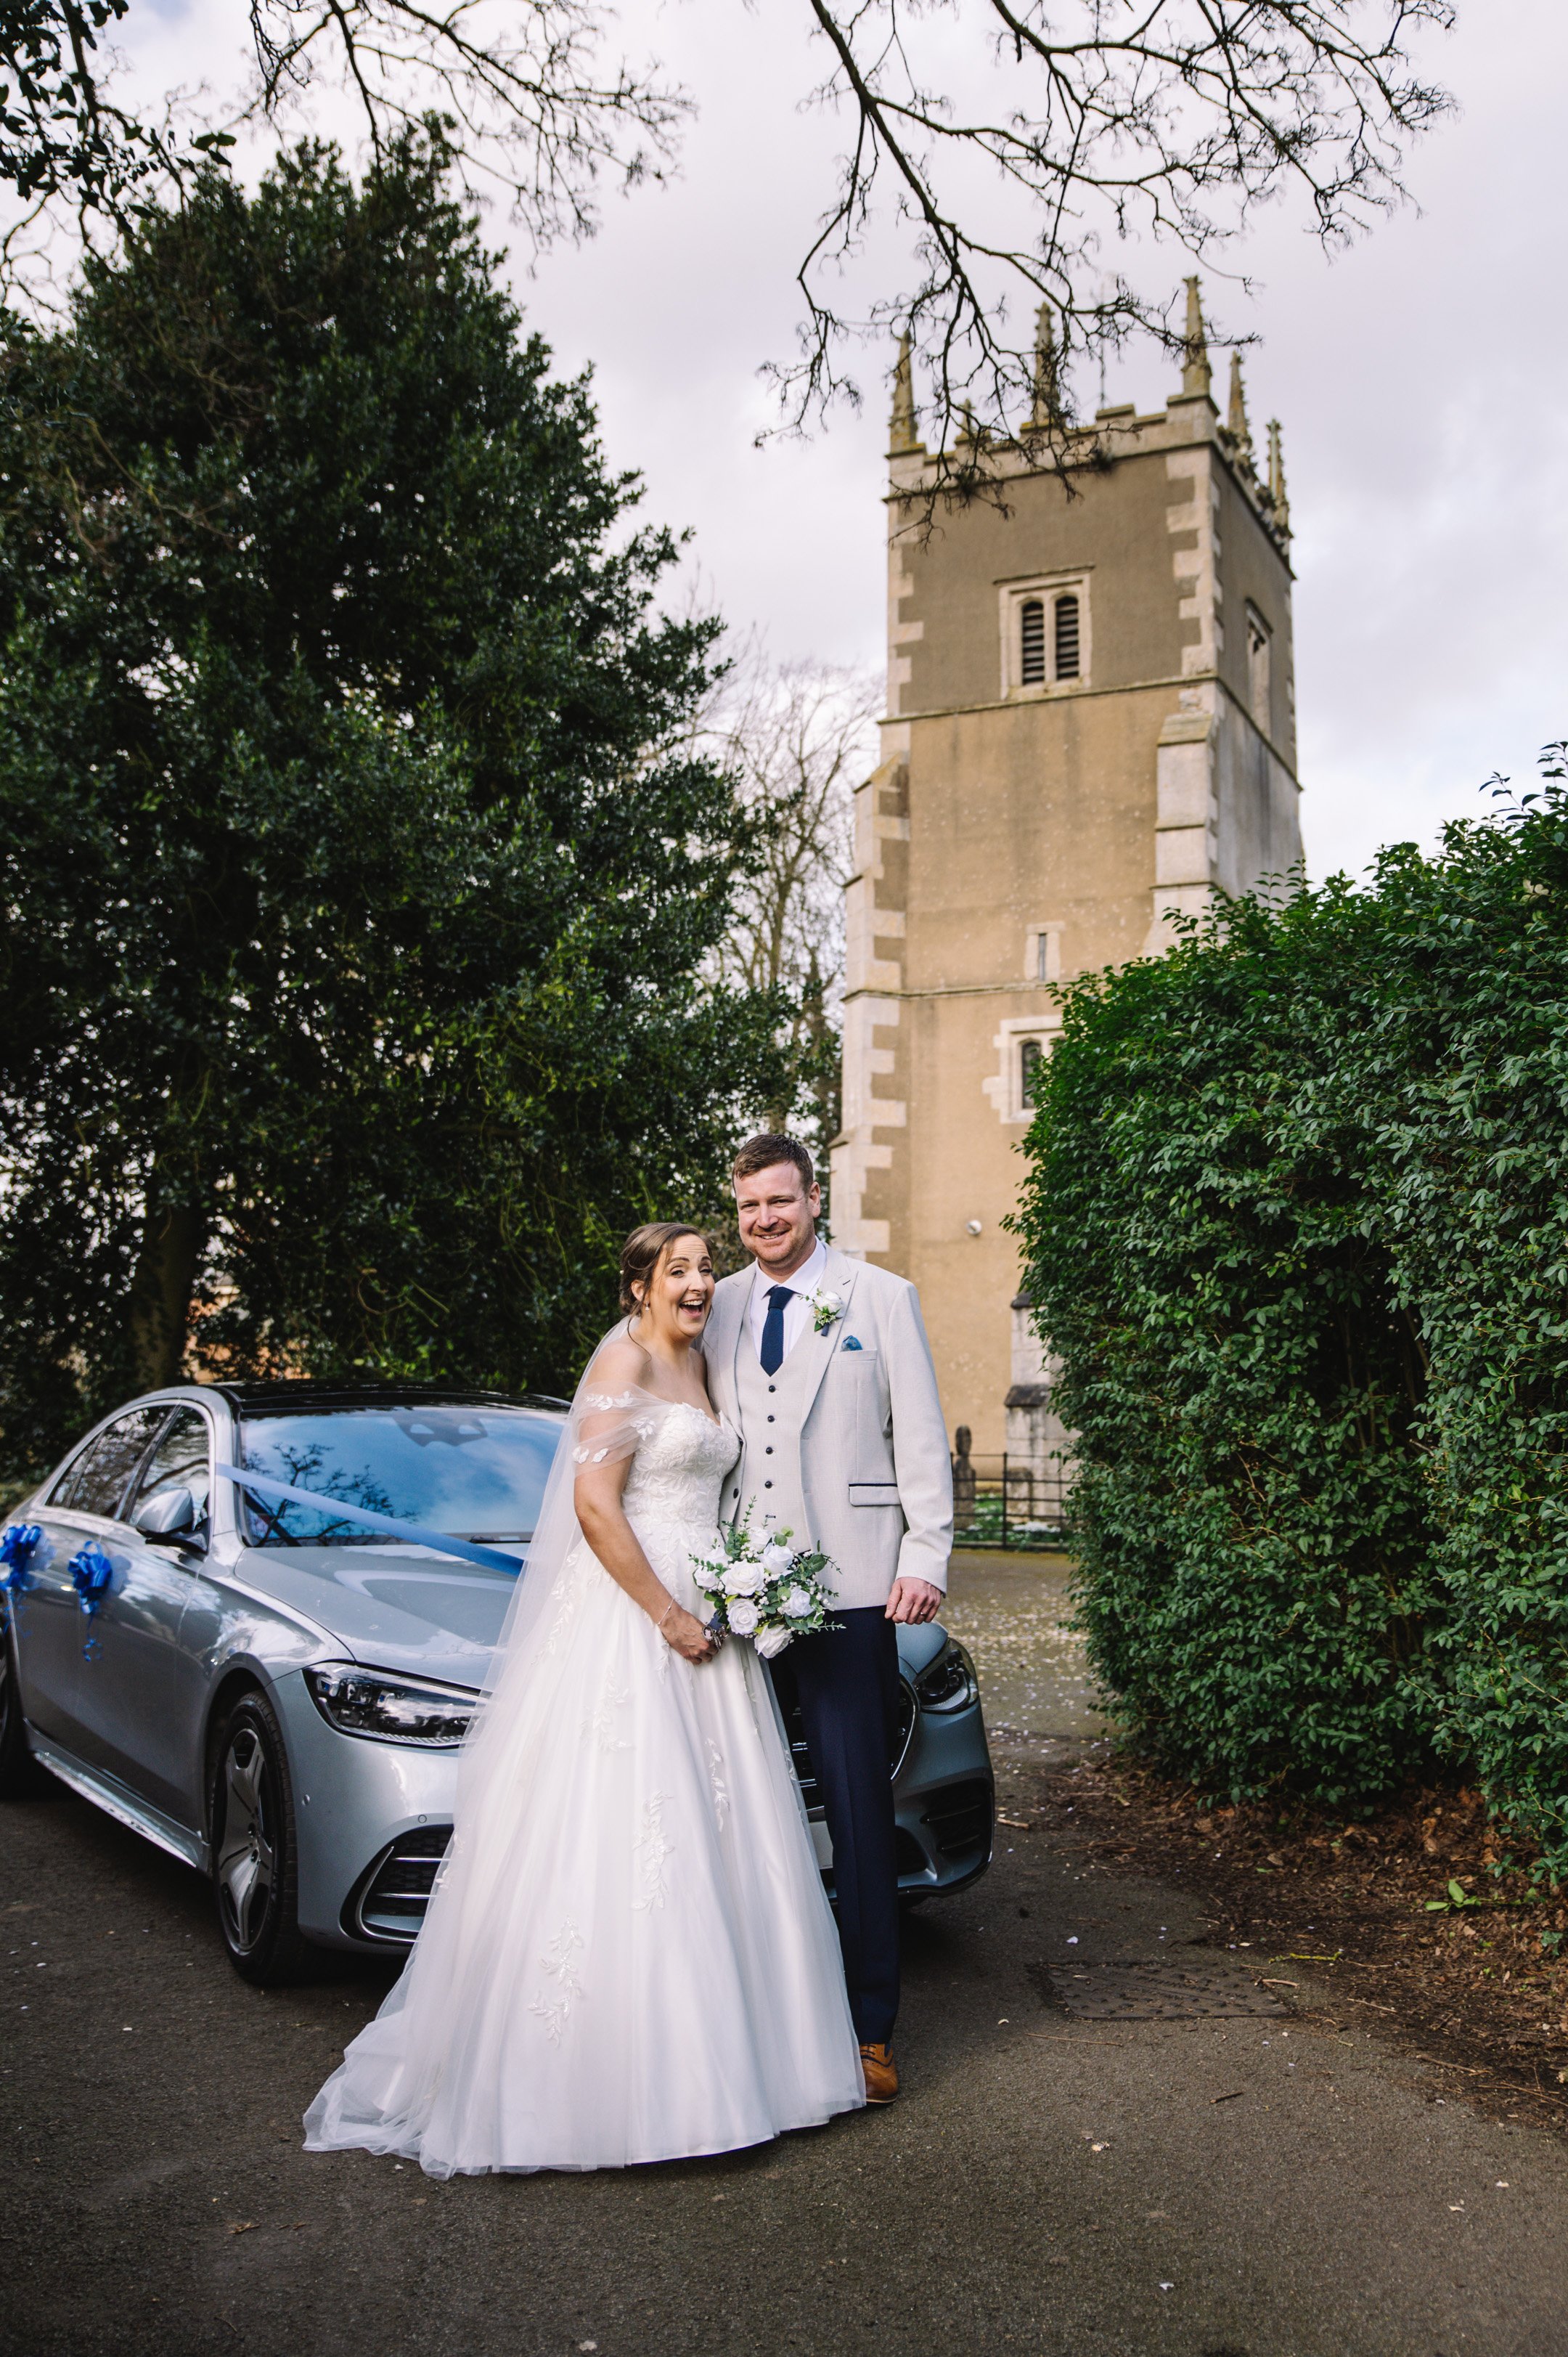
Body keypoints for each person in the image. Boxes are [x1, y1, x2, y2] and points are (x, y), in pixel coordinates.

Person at [303, 1222, 865, 2177]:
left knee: (726, 1831)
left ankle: (754, 2073)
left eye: (705, 1267)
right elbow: (595, 1505)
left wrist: (741, 1584)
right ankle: (619, 2094)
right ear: (640, 1287)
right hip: (635, 1620)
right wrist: (666, 1614)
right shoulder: (624, 1359)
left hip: (711, 1617)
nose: (699, 1282)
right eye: (678, 1270)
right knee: (632, 1829)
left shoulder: (702, 1363)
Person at [702, 1134, 954, 2104]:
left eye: (780, 1200)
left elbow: (919, 1435)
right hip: (738, 1597)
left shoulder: (879, 1297)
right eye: (749, 1206)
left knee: (856, 1812)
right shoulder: (717, 1303)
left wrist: (924, 1555)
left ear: (815, 1198)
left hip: (851, 1587)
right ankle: (757, 2024)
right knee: (740, 1810)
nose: (765, 1219)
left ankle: (869, 2031)